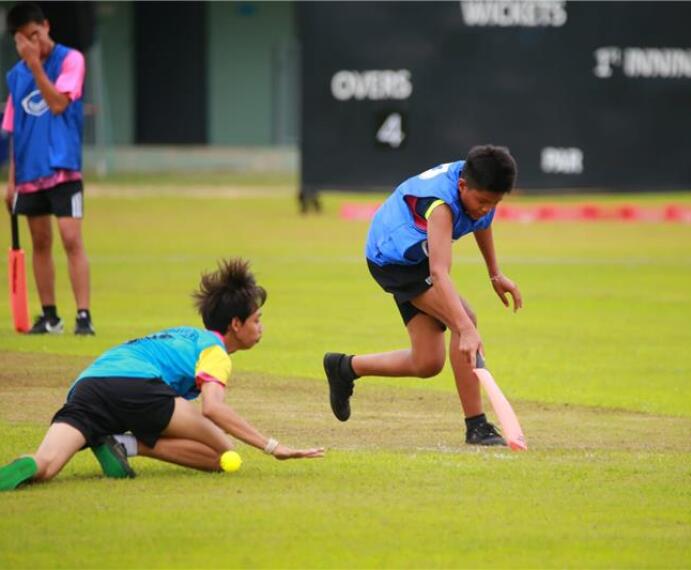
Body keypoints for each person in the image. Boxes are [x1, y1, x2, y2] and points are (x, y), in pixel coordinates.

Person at [0, 258, 324, 491]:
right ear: (236, 324)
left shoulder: (183, 333)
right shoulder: (215, 352)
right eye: (256, 319)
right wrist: (272, 446)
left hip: (88, 385)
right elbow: (212, 408)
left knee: (46, 465)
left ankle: (41, 461)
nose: (261, 327)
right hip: (138, 386)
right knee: (221, 452)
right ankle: (128, 444)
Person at [324, 145, 523, 445]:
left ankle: (344, 368)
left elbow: (482, 222)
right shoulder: (441, 205)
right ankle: (477, 425)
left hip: (414, 252)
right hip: (392, 258)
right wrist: (466, 328)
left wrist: (495, 274)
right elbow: (440, 272)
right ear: (462, 186)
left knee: (427, 362)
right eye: (482, 201)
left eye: (493, 203)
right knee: (464, 318)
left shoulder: (475, 182)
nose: (485, 208)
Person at [3, 2, 94, 335]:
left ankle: (83, 315)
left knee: (71, 238)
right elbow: (14, 129)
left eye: (32, 37)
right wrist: (11, 182)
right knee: (40, 241)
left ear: (45, 27)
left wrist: (36, 67)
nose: (28, 46)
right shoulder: (15, 76)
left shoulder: (71, 60)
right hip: (30, 172)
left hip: (63, 167)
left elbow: (57, 104)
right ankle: (50, 315)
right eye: (20, 40)